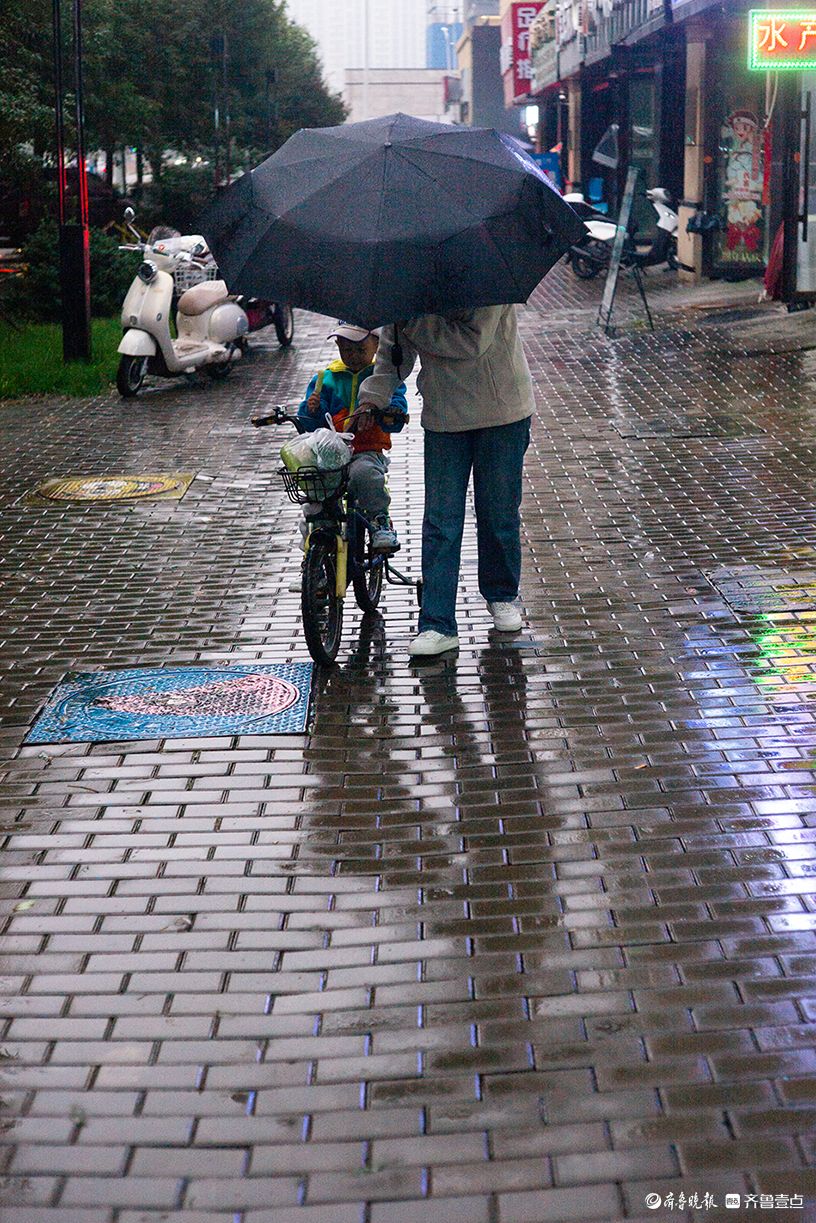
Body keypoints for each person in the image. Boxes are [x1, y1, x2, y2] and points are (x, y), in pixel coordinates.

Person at [356, 306, 534, 657]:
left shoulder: (485, 279)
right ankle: (437, 623)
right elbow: (394, 354)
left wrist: (413, 321)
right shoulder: (409, 289)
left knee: (498, 514)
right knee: (440, 522)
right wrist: (371, 398)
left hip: (502, 412)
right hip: (444, 416)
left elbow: (472, 342)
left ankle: (501, 594)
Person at [298, 322, 408, 551]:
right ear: (338, 345)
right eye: (347, 350)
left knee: (364, 474)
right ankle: (319, 530)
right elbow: (310, 422)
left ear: (377, 345)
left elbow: (397, 405)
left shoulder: (383, 377)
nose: (353, 356)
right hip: (330, 454)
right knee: (317, 479)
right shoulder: (326, 378)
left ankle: (380, 520)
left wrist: (391, 413)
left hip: (366, 449)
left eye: (360, 350)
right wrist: (312, 409)